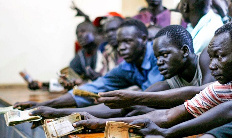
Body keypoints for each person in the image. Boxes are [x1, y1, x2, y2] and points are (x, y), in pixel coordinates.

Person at [72, 22, 232, 132]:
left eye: (220, 57)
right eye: (212, 57)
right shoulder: (224, 86)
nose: (212, 64)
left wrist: (169, 133)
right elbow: (168, 116)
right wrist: (103, 124)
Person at [27, 25, 215, 119]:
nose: (159, 62)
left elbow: (204, 94)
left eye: (164, 55)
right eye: (157, 57)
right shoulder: (166, 79)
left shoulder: (205, 57)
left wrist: (135, 99)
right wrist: (55, 111)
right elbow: (127, 104)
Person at [14, 19, 164, 109]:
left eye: (127, 41)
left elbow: (147, 99)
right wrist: (45, 104)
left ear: (144, 39)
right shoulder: (126, 64)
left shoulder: (159, 57)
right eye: (119, 43)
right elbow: (92, 88)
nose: (122, 47)